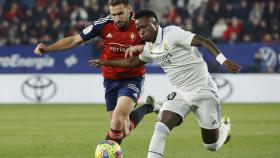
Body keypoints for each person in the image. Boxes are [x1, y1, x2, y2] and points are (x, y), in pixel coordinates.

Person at [89, 10, 241, 157]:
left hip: (203, 91)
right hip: (180, 93)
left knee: (211, 145)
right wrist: (105, 62)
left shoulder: (173, 33)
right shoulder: (149, 48)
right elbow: (133, 62)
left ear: (156, 24)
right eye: (138, 28)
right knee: (160, 128)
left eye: (144, 26)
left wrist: (223, 60)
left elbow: (202, 41)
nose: (141, 31)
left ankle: (224, 128)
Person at [34, 1, 160, 145]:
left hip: (133, 78)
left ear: (129, 10)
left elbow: (157, 44)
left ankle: (107, 152)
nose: (117, 18)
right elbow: (75, 40)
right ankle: (149, 106)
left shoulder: (140, 24)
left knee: (117, 118)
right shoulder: (103, 24)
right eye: (113, 14)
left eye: (120, 13)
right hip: (110, 79)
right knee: (123, 130)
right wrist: (48, 49)